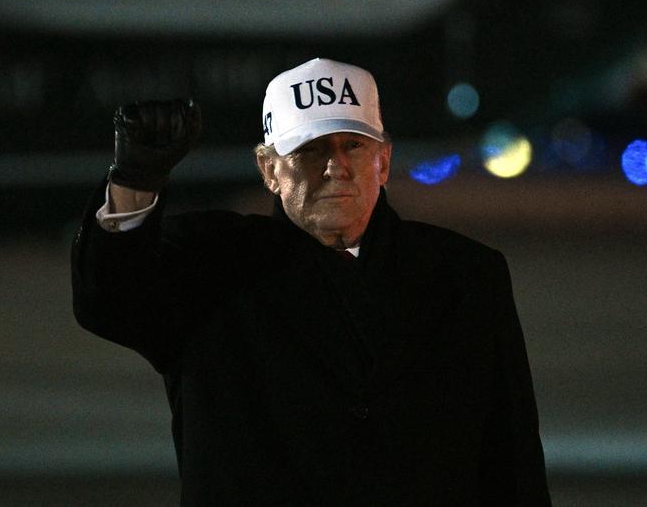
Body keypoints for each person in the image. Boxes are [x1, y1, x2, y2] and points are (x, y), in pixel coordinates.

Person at [72, 57, 552, 506]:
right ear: (269, 170)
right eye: (309, 149)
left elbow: (511, 460)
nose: (334, 166)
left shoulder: (466, 275)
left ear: (383, 161)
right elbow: (110, 301)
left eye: (353, 145)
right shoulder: (211, 266)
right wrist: (135, 182)